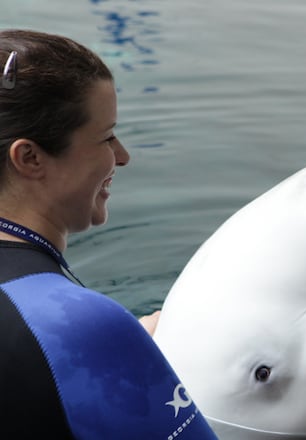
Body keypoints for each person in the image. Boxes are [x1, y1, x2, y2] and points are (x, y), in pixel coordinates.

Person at [0, 30, 217, 439]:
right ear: (29, 157)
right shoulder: (77, 324)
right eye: (105, 137)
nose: (122, 156)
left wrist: (126, 341)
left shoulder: (53, 321)